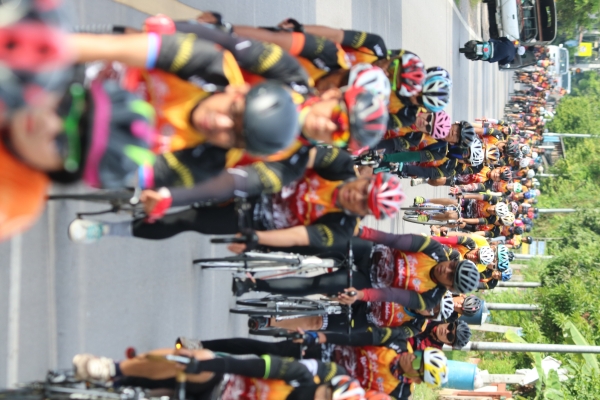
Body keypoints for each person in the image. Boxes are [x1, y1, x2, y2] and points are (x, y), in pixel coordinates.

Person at [69, 150, 404, 258]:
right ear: (365, 179)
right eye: (364, 190)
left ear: (364, 214)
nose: (356, 196)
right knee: (193, 174)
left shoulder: (342, 229)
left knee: (186, 220)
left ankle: (107, 229)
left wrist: (258, 238)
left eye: (363, 204)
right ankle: (125, 172)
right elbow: (308, 154)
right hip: (262, 177)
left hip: (256, 217)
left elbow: (299, 236)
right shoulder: (341, 164)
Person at [234, 229, 481, 330]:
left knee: (319, 284)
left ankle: (253, 284)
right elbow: (396, 240)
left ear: (450, 287)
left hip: (369, 282)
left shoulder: (430, 298)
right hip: (372, 252)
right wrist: (363, 231)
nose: (446, 269)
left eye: (450, 276)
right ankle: (268, 243)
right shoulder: (435, 250)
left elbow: (392, 295)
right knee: (320, 244)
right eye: (453, 266)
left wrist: (362, 295)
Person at [198, 331, 448, 398]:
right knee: (268, 351)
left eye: (418, 363)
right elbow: (356, 337)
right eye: (419, 354)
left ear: (417, 379)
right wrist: (319, 337)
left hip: (326, 384)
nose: (412, 356)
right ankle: (201, 345)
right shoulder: (398, 342)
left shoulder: (398, 392)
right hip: (325, 354)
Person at [72, 347, 360, 400]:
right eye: (326, 397)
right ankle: (112, 368)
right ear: (327, 385)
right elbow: (241, 365)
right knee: (196, 359)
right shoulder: (297, 375)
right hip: (221, 381)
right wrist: (202, 366)